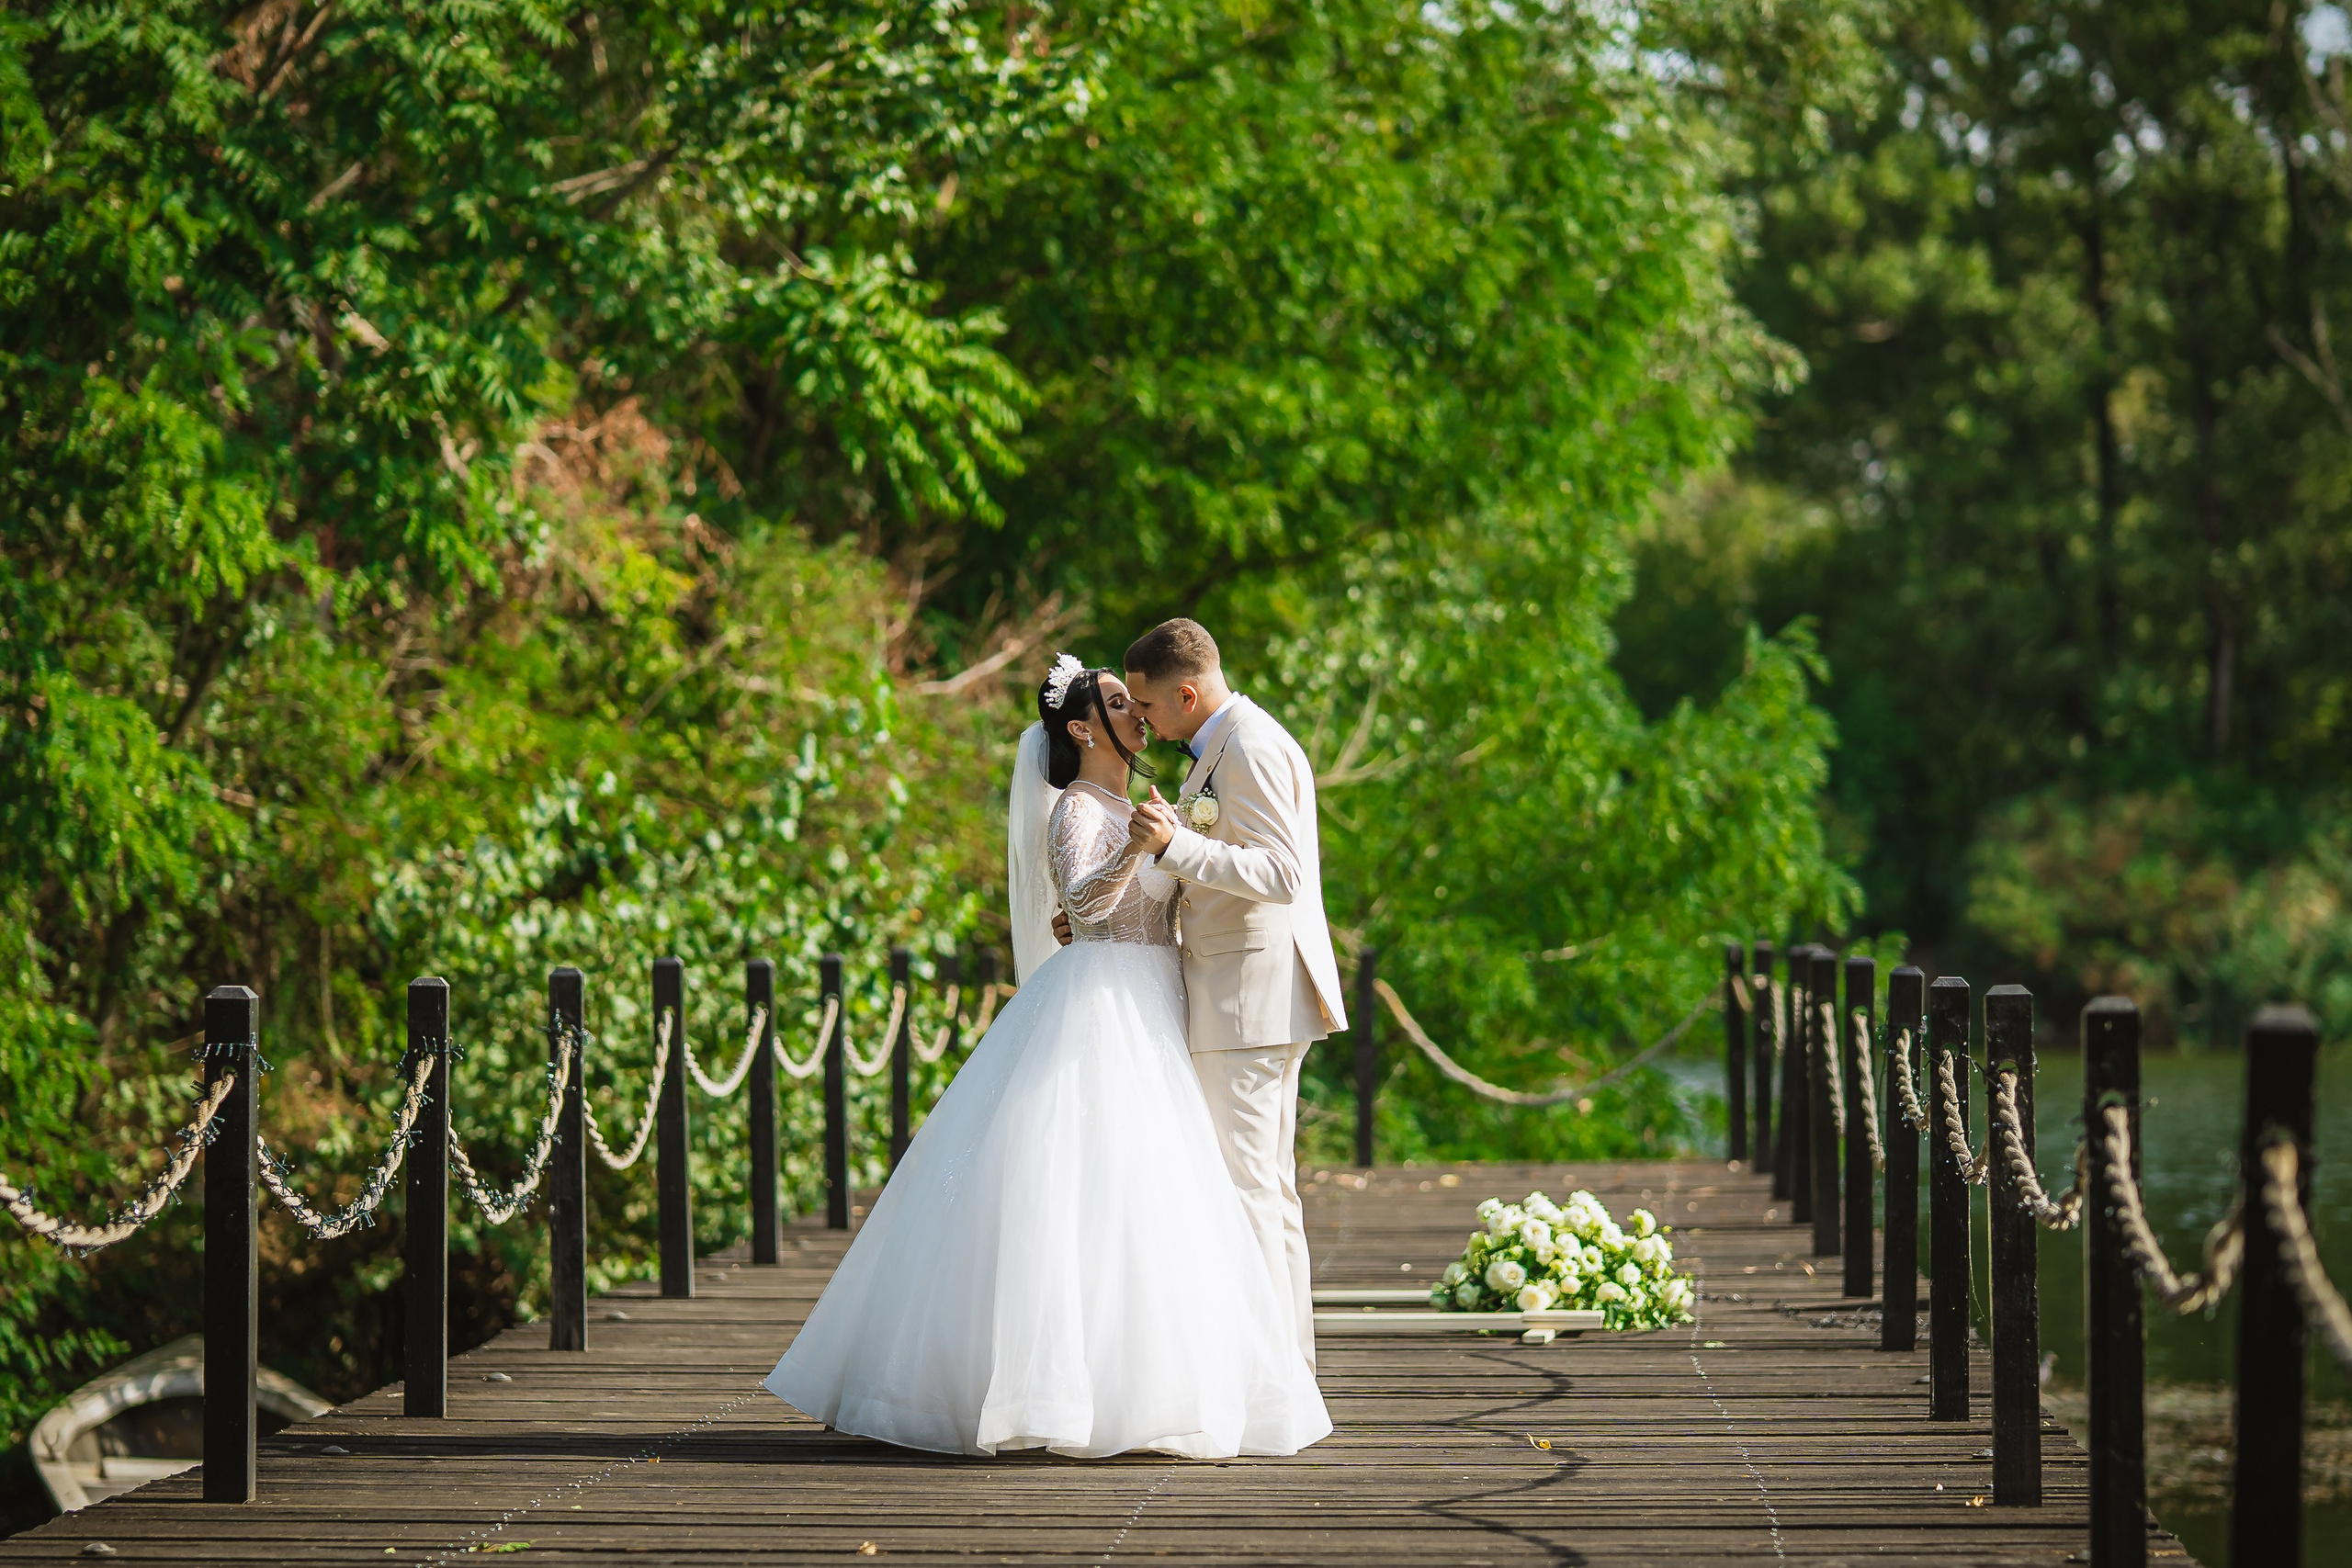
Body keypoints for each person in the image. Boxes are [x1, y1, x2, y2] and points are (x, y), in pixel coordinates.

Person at [761, 656, 1330, 1460]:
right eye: (1117, 703)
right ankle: (1058, 1387)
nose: (1136, 713)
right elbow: (1088, 902)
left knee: (1161, 1197)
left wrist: (1154, 848)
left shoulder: (1142, 801)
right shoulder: (1072, 809)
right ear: (1079, 726)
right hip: (1104, 1004)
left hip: (1162, 996)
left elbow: (1162, 892)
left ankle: (1183, 1378)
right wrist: (1133, 857)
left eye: (1138, 700)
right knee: (1080, 1190)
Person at [1115, 618, 1348, 1371]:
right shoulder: (1223, 744)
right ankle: (1285, 1372)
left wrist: (1175, 843)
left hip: (1248, 1000)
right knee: (1263, 1192)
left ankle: (1271, 1379)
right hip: (1243, 994)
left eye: (1148, 707)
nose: (1143, 721)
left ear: (1187, 692)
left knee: (1249, 1193)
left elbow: (1281, 873)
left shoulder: (1248, 744)